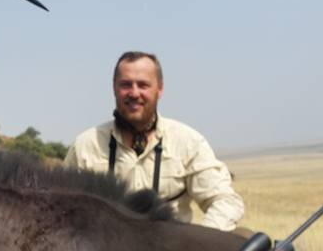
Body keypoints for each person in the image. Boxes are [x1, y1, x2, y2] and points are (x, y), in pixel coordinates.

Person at [64, 51, 244, 231]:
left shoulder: (188, 142)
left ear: (160, 89)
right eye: (126, 85)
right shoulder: (85, 146)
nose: (134, 93)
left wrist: (200, 242)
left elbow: (226, 202)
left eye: (143, 85)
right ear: (114, 88)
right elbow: (62, 211)